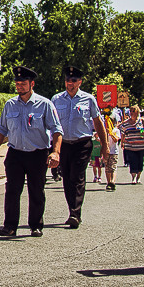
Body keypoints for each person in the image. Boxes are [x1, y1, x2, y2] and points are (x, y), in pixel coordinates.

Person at [0, 66, 62, 238]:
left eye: (23, 83)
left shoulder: (44, 104)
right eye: (17, 83)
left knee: (36, 190)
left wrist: (55, 152)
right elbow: (1, 129)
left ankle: (36, 225)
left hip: (37, 153)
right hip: (15, 153)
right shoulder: (10, 104)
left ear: (32, 84)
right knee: (12, 190)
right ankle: (10, 226)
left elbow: (57, 130)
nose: (20, 86)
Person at [51, 66, 107, 229]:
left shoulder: (88, 99)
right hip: (63, 144)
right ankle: (72, 210)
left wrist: (104, 145)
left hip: (82, 143)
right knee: (67, 178)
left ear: (80, 82)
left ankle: (75, 214)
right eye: (68, 80)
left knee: (77, 176)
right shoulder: (56, 99)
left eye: (74, 80)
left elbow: (98, 122)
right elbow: (51, 123)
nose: (70, 83)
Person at [118, 106, 144, 184]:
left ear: (137, 112)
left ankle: (138, 177)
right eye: (130, 111)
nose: (131, 113)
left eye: (133, 111)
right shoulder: (126, 123)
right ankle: (133, 177)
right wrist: (122, 142)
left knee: (140, 161)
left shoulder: (142, 121)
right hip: (130, 146)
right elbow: (123, 133)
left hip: (141, 146)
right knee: (132, 161)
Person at [101, 112, 119, 191]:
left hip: (114, 151)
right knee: (107, 168)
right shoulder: (104, 131)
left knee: (113, 167)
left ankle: (113, 182)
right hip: (106, 151)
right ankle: (109, 183)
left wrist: (111, 133)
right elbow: (101, 141)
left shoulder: (116, 130)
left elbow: (116, 140)